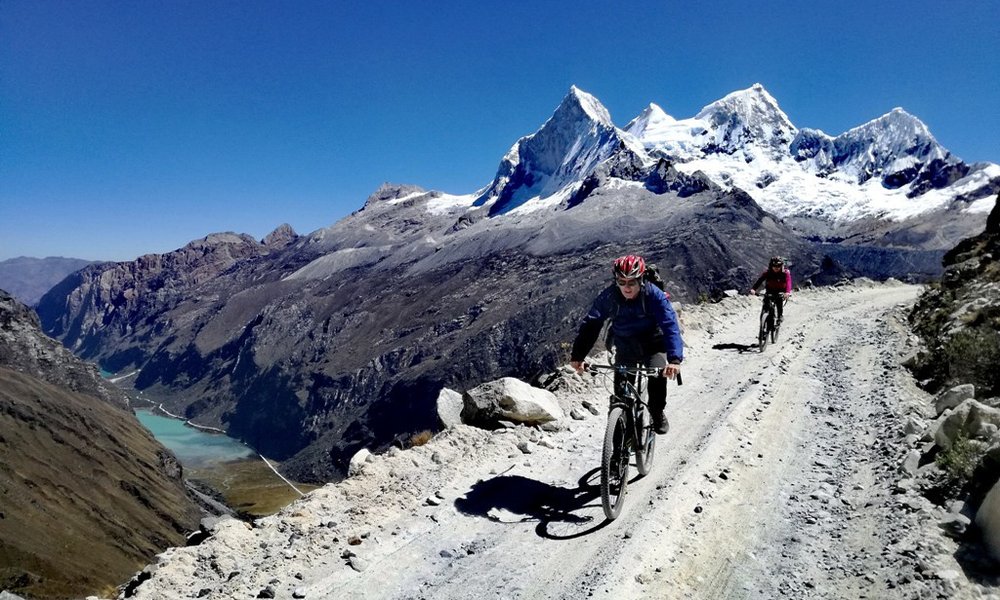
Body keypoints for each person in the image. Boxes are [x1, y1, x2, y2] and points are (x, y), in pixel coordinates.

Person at [569, 255, 683, 434]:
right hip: (625, 345)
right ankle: (618, 444)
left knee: (657, 378)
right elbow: (591, 325)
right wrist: (578, 356)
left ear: (641, 280)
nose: (627, 288)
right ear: (616, 281)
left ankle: (657, 411)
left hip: (653, 343)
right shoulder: (609, 296)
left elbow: (670, 326)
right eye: (622, 282)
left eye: (632, 282)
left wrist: (674, 360)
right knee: (620, 397)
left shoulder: (654, 295)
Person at [749, 256, 792, 324]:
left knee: (779, 301)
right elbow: (760, 280)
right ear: (771, 266)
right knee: (766, 302)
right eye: (774, 266)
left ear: (781, 266)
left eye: (778, 266)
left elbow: (788, 282)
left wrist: (787, 292)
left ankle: (780, 316)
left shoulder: (785, 273)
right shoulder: (767, 273)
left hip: (780, 291)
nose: (776, 268)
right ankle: (763, 323)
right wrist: (754, 289)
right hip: (770, 290)